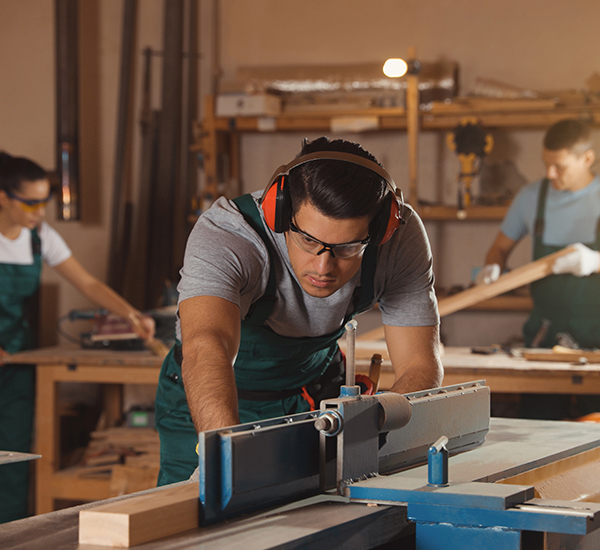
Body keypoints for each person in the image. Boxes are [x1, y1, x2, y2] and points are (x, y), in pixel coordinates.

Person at [155, 137, 443, 485]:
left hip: (316, 394)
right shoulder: (229, 236)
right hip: (212, 395)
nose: (323, 267)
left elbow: (420, 365)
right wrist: (221, 454)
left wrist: (373, 423)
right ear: (281, 212)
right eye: (308, 240)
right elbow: (206, 346)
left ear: (381, 231)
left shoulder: (400, 241)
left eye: (348, 247)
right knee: (198, 520)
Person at [0, 151, 155, 523]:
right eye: (31, 202)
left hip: (16, 359)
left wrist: (130, 315)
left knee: (13, 456)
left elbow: (87, 282)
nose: (40, 211)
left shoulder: (39, 237)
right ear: (3, 197)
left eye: (45, 201)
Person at [477, 119, 600, 419]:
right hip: (545, 338)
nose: (550, 173)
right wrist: (493, 267)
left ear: (587, 159)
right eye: (546, 164)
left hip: (598, 343)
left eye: (559, 166)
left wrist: (595, 262)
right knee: (538, 428)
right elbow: (501, 248)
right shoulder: (532, 197)